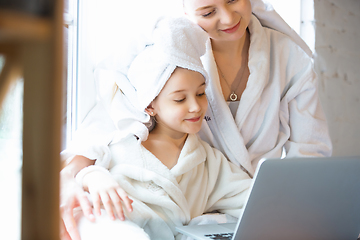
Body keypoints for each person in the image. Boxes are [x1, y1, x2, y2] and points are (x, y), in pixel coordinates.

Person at [60, 0, 332, 239]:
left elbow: (309, 157)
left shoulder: (291, 60)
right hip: (176, 221)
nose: (227, 18)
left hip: (243, 213)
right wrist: (80, 176)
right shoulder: (171, 55)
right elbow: (106, 133)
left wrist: (300, 216)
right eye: (207, 11)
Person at [68, 16, 251, 240]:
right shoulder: (123, 145)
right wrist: (94, 177)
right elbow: (82, 177)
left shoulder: (207, 162)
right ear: (150, 106)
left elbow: (253, 199)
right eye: (179, 99)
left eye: (201, 94)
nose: (195, 107)